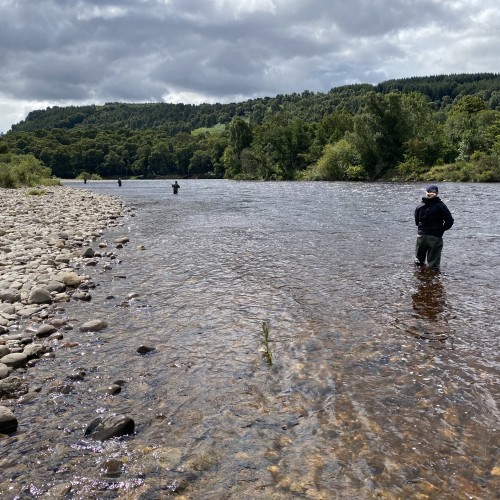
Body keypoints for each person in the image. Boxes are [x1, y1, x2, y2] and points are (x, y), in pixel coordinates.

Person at [414, 184, 454, 269]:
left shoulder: (419, 206)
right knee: (434, 265)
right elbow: (450, 221)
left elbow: (417, 222)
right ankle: (433, 280)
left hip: (422, 236)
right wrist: (441, 229)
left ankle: (419, 279)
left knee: (418, 263)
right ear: (437, 193)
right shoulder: (441, 206)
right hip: (435, 236)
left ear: (426, 192)